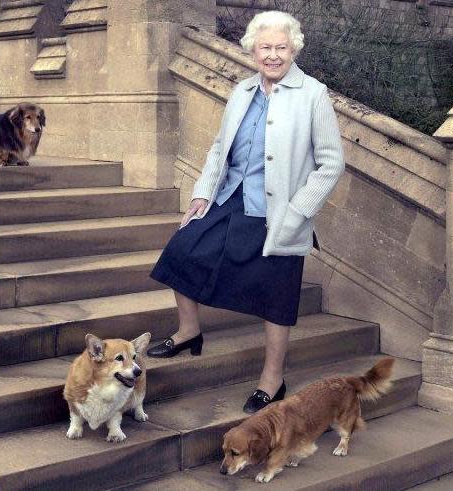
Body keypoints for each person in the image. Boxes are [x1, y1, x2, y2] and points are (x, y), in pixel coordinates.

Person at [147, 10, 345, 414]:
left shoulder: (313, 94)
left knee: (276, 294)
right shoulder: (242, 91)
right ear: (252, 49)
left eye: (281, 48)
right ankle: (189, 332)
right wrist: (202, 194)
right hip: (231, 197)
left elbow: (331, 162)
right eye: (265, 48)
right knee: (182, 251)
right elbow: (221, 147)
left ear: (294, 50)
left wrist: (299, 210)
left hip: (279, 211)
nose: (272, 55)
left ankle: (272, 380)